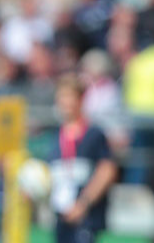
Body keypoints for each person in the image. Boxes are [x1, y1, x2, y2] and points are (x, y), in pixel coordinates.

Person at [49, 75, 117, 243]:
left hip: (87, 219)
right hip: (61, 218)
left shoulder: (94, 134)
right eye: (61, 97)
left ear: (80, 99)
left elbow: (107, 170)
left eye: (69, 96)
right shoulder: (55, 135)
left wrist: (83, 203)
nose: (65, 102)